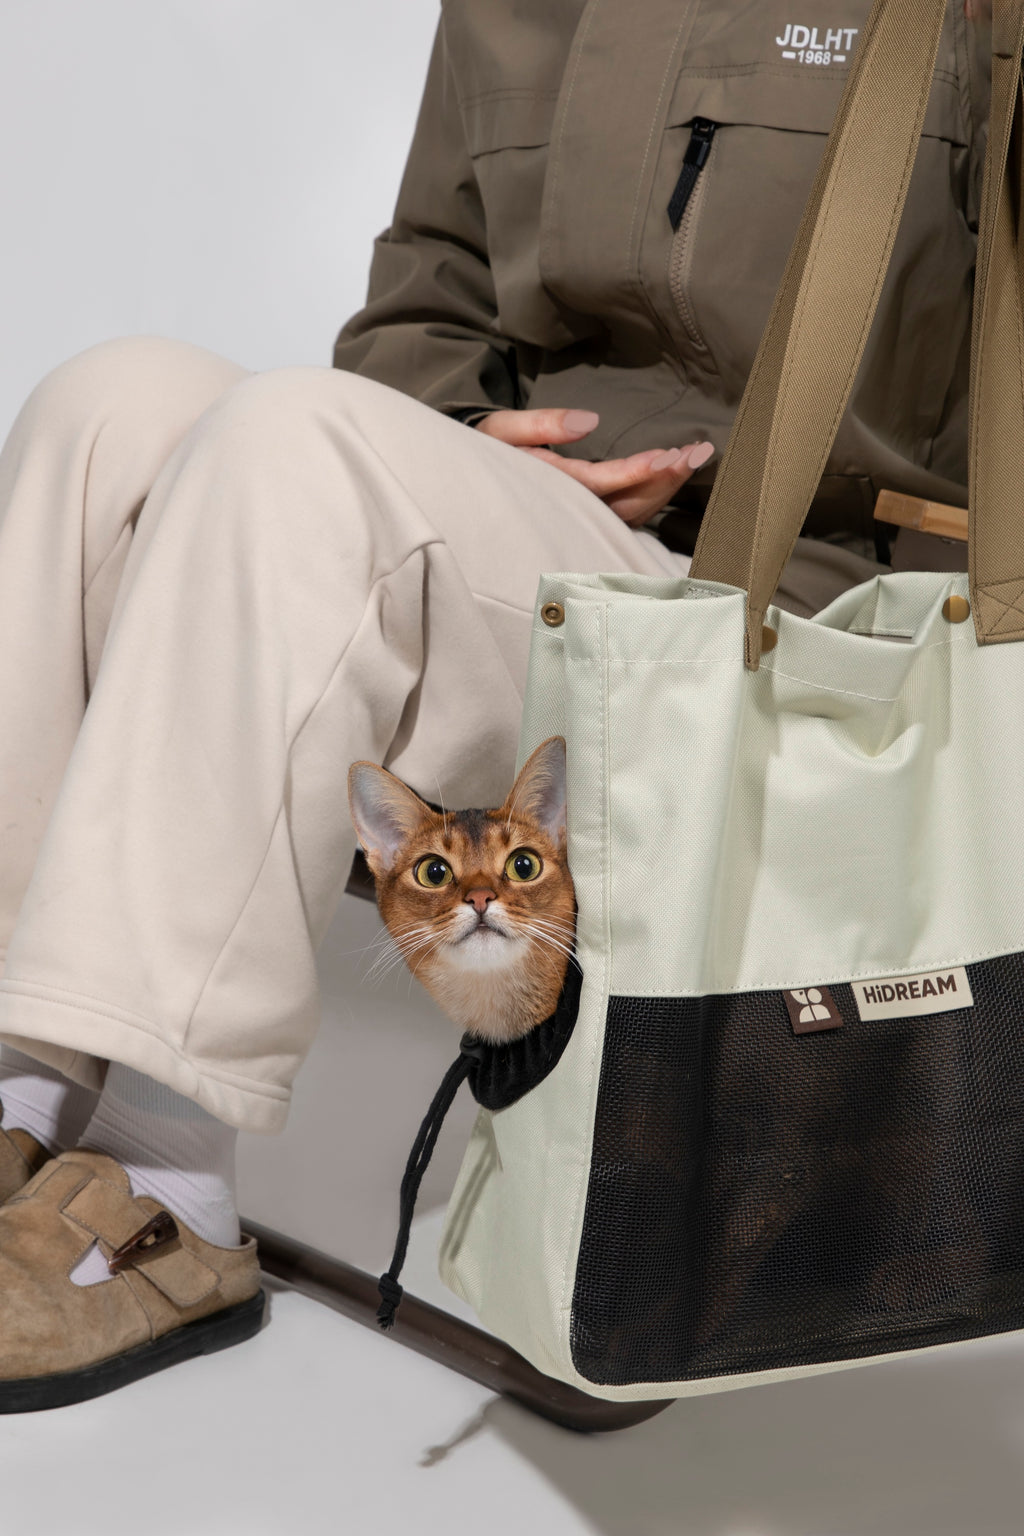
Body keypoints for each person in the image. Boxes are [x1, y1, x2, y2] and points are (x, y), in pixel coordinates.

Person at [0, 0, 988, 1409]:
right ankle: (25, 1087)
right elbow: (425, 306)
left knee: (290, 450)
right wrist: (468, 437)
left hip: (801, 609)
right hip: (545, 547)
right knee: (110, 406)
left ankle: (165, 1186)